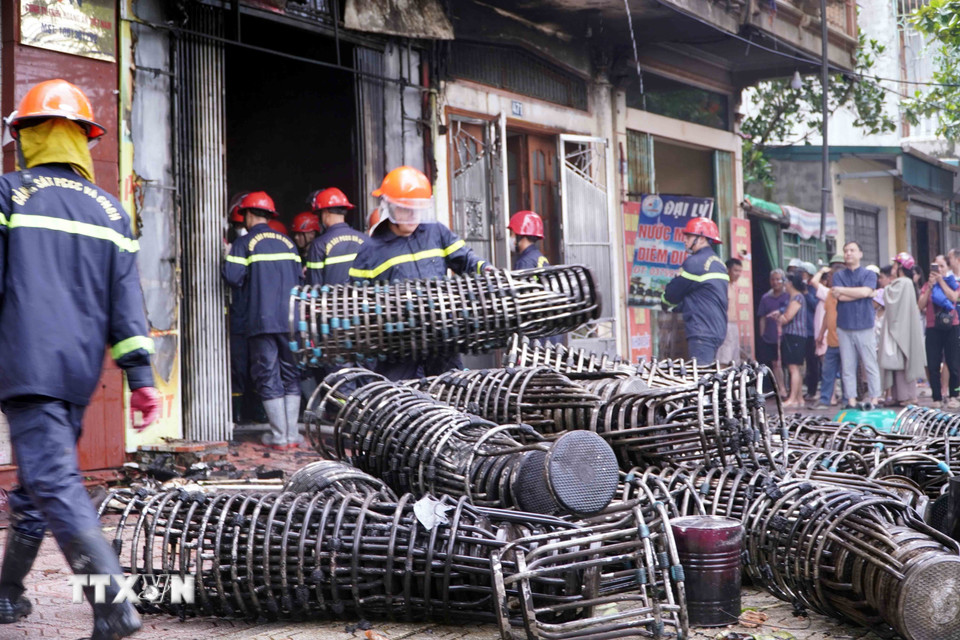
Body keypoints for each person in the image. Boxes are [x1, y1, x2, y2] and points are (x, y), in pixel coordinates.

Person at [0, 79, 160, 638]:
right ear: (81, 141)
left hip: (25, 363)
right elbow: (128, 306)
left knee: (50, 477)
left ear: (28, 136)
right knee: (38, 483)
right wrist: (141, 378)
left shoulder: (8, 193)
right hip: (76, 373)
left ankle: (112, 605)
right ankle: (7, 592)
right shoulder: (112, 212)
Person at [350, 166, 488, 380]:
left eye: (418, 209)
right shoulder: (370, 250)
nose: (413, 215)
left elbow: (466, 259)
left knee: (451, 392)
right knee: (402, 401)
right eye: (406, 209)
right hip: (398, 348)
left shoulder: (436, 233)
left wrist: (485, 269)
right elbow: (356, 304)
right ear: (390, 207)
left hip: (442, 340)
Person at [223, 191, 303, 449]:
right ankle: (292, 435)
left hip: (261, 321)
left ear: (247, 214)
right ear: (269, 215)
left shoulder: (245, 243)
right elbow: (299, 280)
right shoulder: (288, 242)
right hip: (291, 321)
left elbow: (232, 277)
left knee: (268, 375)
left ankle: (279, 436)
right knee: (291, 374)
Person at [661, 217, 728, 363]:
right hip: (716, 330)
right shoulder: (719, 263)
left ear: (702, 238)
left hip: (702, 331)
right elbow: (702, 298)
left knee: (702, 379)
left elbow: (672, 294)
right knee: (708, 375)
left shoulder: (695, 263)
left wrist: (665, 302)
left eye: (689, 236)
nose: (685, 240)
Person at [832, 241, 882, 408]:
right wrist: (862, 293)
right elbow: (839, 296)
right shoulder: (838, 275)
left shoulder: (869, 274)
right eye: (846, 251)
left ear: (860, 253)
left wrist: (852, 292)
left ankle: (875, 398)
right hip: (844, 325)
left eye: (852, 250)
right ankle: (851, 400)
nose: (848, 254)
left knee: (870, 364)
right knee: (847, 366)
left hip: (865, 325)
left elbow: (866, 291)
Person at [879, 253, 925, 406]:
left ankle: (906, 396)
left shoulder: (903, 283)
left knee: (901, 362)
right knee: (899, 362)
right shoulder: (905, 283)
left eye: (895, 265)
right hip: (901, 327)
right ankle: (900, 396)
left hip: (901, 329)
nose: (892, 268)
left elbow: (891, 299)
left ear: (901, 267)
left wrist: (885, 289)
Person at [919, 254, 960, 409]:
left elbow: (954, 297)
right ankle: (936, 396)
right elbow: (920, 305)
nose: (939, 269)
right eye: (936, 266)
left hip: (952, 326)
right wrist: (930, 287)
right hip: (932, 327)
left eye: (942, 266)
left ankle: (954, 395)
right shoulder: (927, 285)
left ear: (948, 268)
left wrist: (941, 281)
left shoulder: (954, 283)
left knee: (953, 362)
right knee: (933, 363)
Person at [306, 187, 366, 286]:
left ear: (324, 213)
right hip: (361, 300)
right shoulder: (365, 240)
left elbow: (314, 287)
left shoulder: (318, 245)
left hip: (330, 301)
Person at [810, 256, 845, 409]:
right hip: (831, 340)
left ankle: (847, 400)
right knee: (827, 372)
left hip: (844, 340)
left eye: (832, 276)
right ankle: (825, 399)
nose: (830, 279)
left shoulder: (845, 294)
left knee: (846, 373)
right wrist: (820, 334)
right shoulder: (830, 293)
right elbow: (827, 315)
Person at [776, 272, 808, 408]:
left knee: (793, 368)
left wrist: (779, 318)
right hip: (796, 336)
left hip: (794, 335)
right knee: (797, 368)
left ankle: (792, 398)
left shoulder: (797, 298)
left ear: (790, 283)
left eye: (785, 282)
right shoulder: (794, 297)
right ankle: (799, 398)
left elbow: (787, 317)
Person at [756, 269, 789, 394]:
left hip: (786, 336)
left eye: (778, 279)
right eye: (773, 279)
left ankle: (790, 390)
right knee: (775, 364)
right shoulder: (766, 298)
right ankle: (781, 388)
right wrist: (762, 335)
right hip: (770, 336)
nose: (775, 282)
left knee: (789, 365)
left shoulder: (788, 296)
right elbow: (762, 317)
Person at [799, 261, 820, 401]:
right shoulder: (798, 289)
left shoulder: (814, 290)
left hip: (812, 331)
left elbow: (815, 306)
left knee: (813, 363)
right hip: (801, 331)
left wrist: (806, 293)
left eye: (804, 274)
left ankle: (813, 390)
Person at [716, 258, 743, 364]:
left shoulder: (733, 285)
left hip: (734, 325)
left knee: (735, 359)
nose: (738, 274)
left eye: (740, 271)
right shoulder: (723, 286)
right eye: (736, 270)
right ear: (728, 270)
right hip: (724, 325)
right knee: (724, 358)